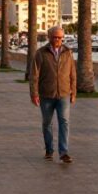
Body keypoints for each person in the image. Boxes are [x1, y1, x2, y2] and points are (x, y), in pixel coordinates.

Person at [29, 26, 76, 164]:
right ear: (49, 37)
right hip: (46, 94)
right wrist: (34, 93)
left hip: (64, 94)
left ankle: (64, 152)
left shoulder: (68, 52)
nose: (57, 40)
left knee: (64, 122)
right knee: (47, 123)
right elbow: (34, 75)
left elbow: (72, 73)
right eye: (55, 37)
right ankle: (49, 150)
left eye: (60, 37)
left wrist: (74, 92)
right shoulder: (41, 53)